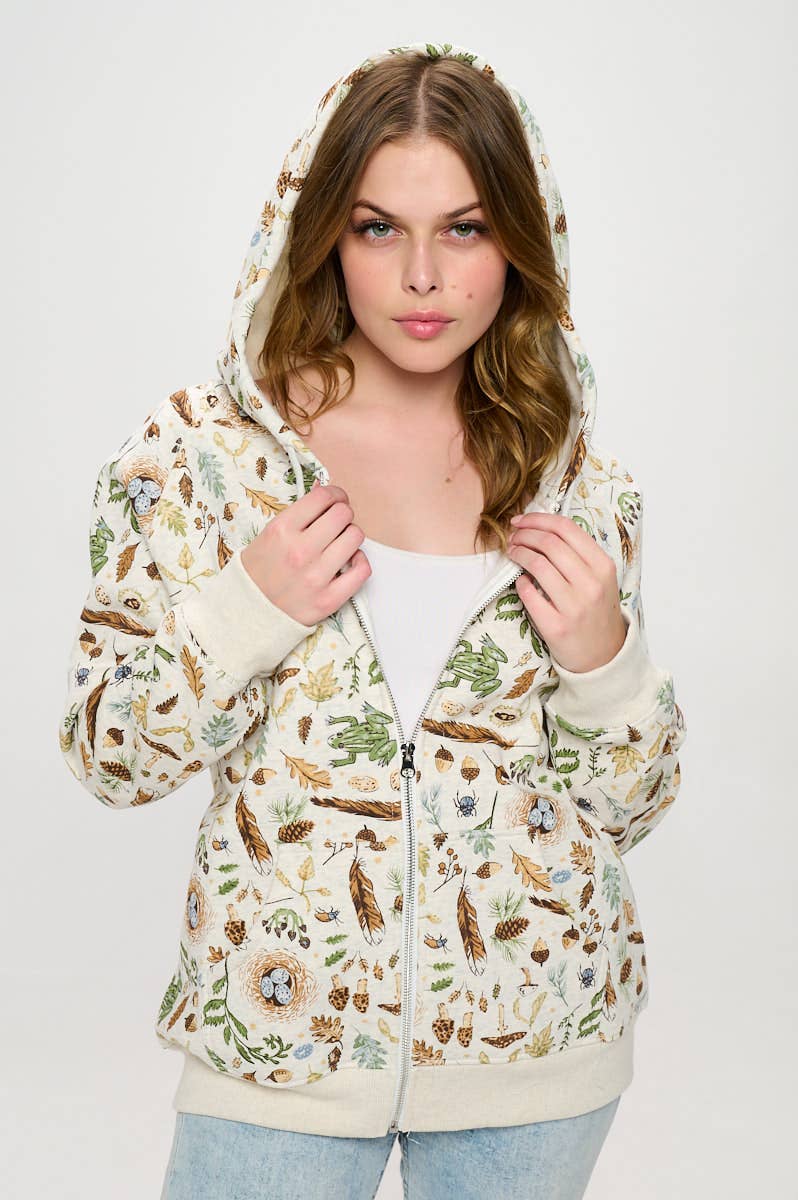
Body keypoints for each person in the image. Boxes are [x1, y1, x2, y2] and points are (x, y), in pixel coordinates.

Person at [57, 40, 687, 1200]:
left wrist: (607, 664)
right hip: (279, 1049)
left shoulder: (579, 482)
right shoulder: (201, 456)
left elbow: (634, 806)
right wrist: (248, 609)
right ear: (321, 236)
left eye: (466, 228)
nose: (423, 278)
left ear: (520, 240)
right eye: (378, 228)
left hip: (537, 1053)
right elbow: (107, 752)